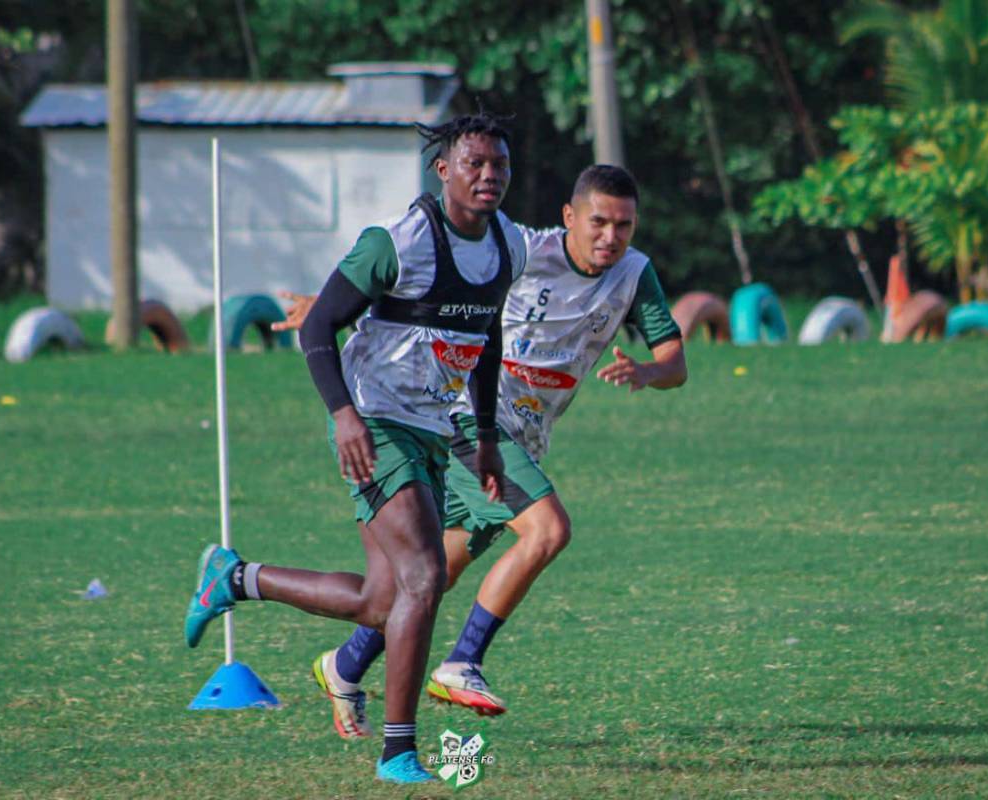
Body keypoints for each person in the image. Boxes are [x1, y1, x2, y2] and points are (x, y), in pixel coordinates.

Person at [276, 164, 687, 737]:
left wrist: (649, 370)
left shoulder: (634, 275)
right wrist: (326, 302)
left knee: (433, 569)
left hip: (527, 436)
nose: (610, 237)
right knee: (547, 530)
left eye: (624, 225)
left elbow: (677, 363)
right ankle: (462, 662)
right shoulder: (521, 250)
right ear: (569, 217)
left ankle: (345, 665)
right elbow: (428, 278)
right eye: (599, 222)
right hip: (470, 420)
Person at [183, 113, 527, 784]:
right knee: (425, 577)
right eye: (476, 163)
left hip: (432, 429)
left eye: (501, 166)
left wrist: (485, 438)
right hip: (376, 422)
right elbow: (318, 328)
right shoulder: (399, 243)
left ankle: (234, 577)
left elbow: (487, 343)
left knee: (380, 602)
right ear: (444, 170)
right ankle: (398, 752)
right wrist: (343, 415)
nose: (490, 176)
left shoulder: (507, 245)